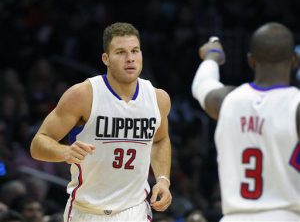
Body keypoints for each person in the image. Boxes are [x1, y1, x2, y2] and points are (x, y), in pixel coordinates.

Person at [30, 22, 172, 222]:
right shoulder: (83, 94)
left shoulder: (158, 98)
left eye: (135, 51)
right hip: (87, 211)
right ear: (106, 58)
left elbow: (160, 140)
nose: (130, 58)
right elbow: (38, 144)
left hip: (134, 210)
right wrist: (64, 152)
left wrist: (163, 180)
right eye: (121, 52)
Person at [191, 22, 300, 221]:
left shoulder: (227, 101)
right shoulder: (296, 105)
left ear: (251, 61)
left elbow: (202, 85)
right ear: (294, 60)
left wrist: (212, 57)